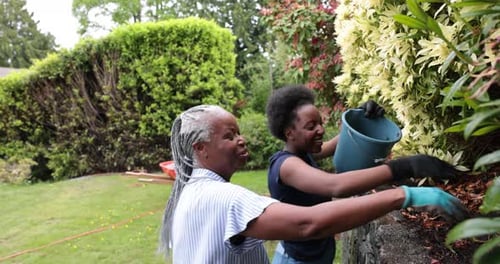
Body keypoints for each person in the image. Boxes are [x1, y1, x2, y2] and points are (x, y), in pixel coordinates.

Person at [158, 104, 466, 264]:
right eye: (229, 136)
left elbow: (339, 144)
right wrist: (404, 189)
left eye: (238, 132)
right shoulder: (225, 196)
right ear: (200, 149)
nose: (241, 139)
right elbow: (310, 222)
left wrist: (361, 117)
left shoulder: (192, 192)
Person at [265, 84, 465, 264]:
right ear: (289, 132)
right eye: (311, 127)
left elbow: (341, 141)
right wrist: (403, 167)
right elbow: (335, 185)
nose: (320, 130)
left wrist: (360, 115)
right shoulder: (286, 166)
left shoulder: (304, 153)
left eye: (320, 123)